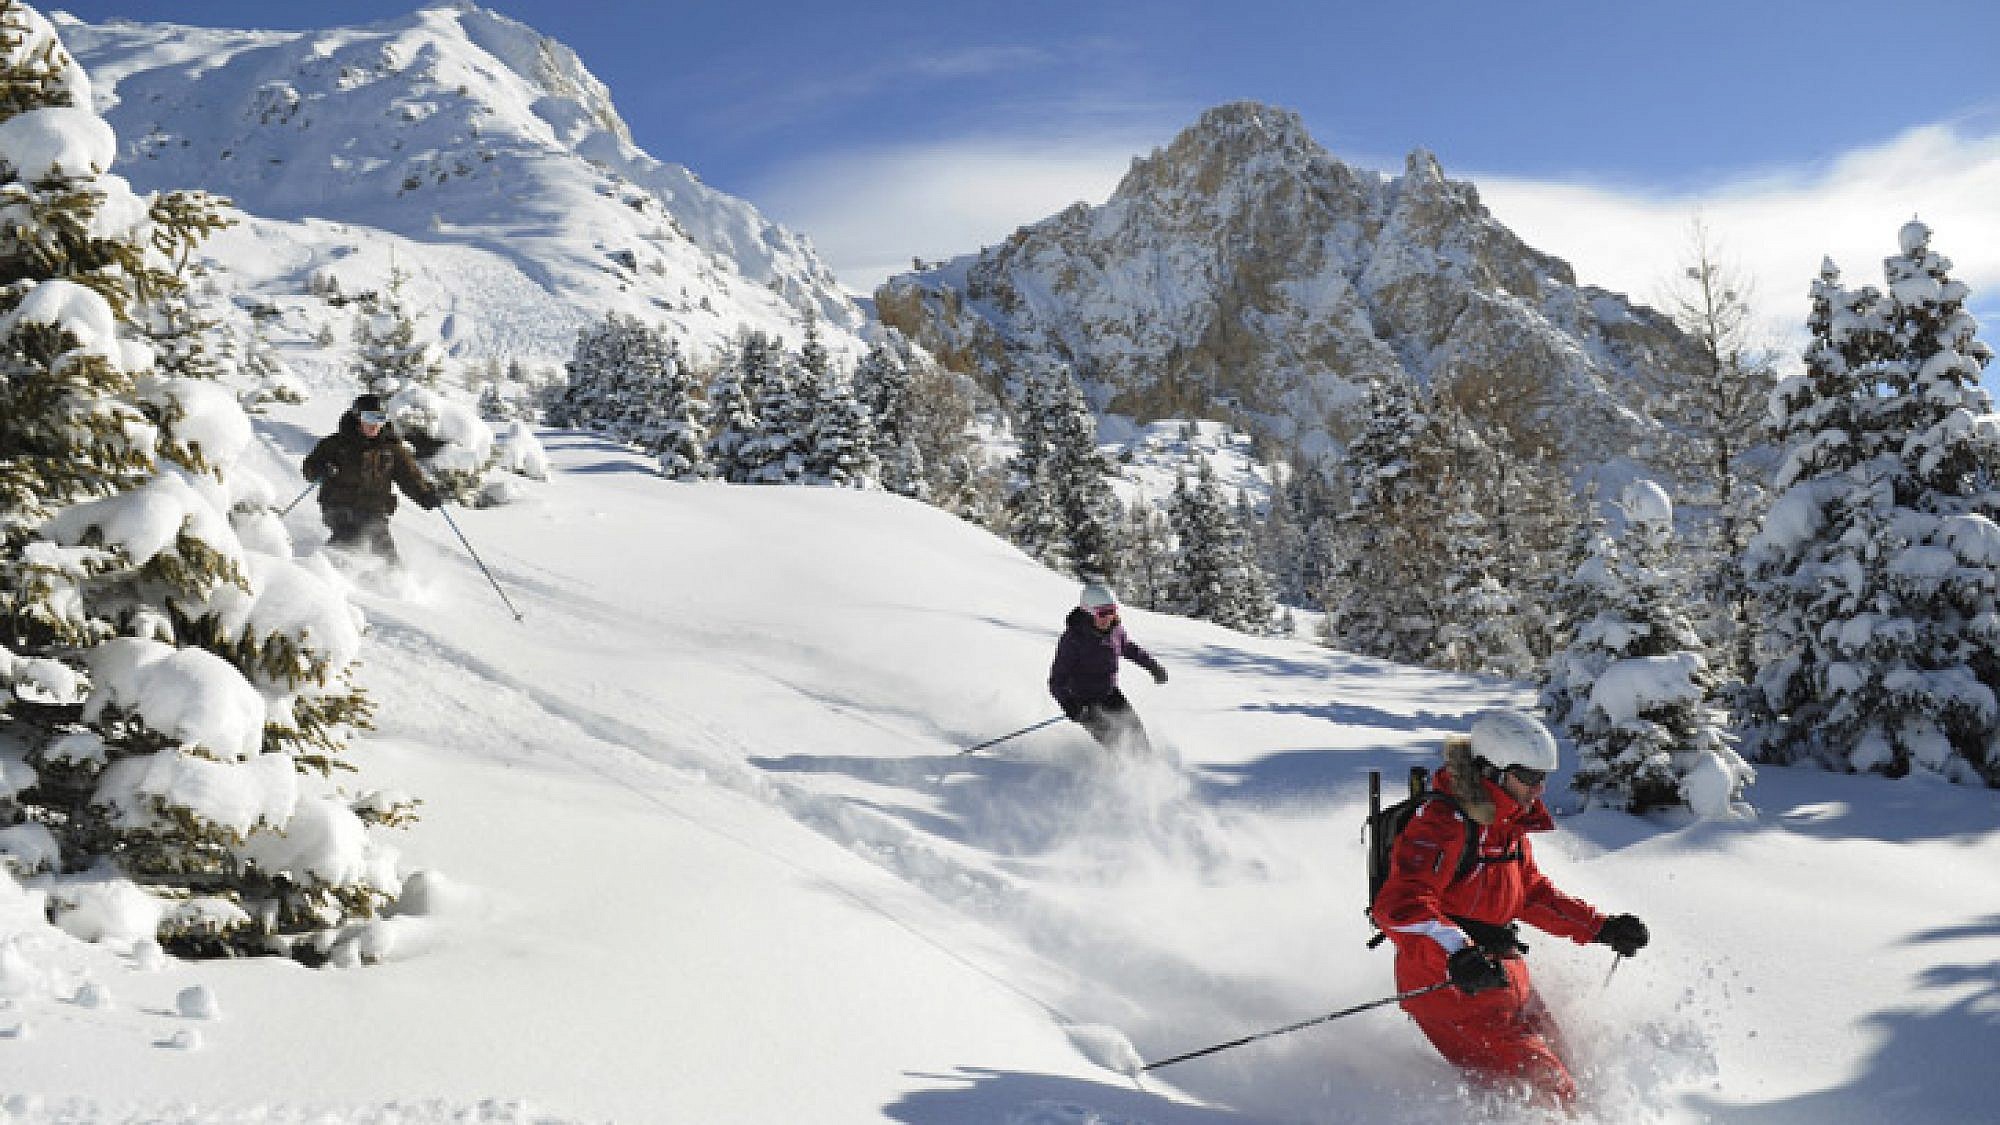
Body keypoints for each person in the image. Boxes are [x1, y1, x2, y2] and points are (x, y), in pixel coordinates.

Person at [1370, 710, 1650, 1112]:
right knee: (1551, 1092)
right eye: (1528, 776)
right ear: (1492, 770)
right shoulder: (1442, 825)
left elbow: (1531, 895)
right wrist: (1457, 954)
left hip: (1502, 980)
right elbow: (1400, 905)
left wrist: (1600, 927)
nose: (1538, 788)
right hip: (1452, 991)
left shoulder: (1507, 826)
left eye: (1543, 777)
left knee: (1574, 1071)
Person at [301, 393, 442, 566]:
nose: (374, 424)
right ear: (357, 417)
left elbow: (410, 477)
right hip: (338, 505)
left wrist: (424, 494)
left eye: (380, 418)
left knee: (385, 551)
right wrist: (320, 469)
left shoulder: (392, 450)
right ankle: (320, 571)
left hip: (373, 510)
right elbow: (309, 468)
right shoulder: (336, 444)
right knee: (348, 538)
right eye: (369, 417)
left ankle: (394, 584)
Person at [1047, 582, 1168, 755]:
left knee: (1137, 738)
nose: (1108, 617)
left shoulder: (1115, 630)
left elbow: (1128, 648)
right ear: (1088, 611)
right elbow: (1056, 681)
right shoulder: (1074, 639)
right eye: (1102, 613)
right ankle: (1122, 778)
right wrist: (1070, 705)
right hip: (1085, 703)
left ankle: (1150, 770)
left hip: (1110, 694)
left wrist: (1153, 666)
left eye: (1112, 611)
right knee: (1118, 745)